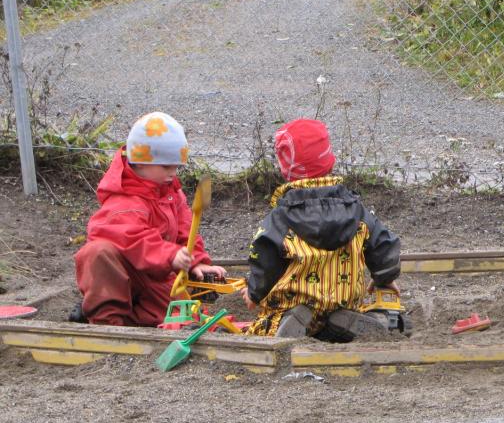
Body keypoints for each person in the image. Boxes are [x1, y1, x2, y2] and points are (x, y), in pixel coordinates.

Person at [243, 118, 403, 339]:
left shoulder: (282, 217)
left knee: (267, 326)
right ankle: (343, 320)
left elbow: (265, 258)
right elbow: (383, 244)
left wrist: (254, 292)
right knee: (339, 317)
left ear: (285, 167)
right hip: (342, 298)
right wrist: (385, 277)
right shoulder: (356, 210)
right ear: (329, 160)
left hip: (296, 299)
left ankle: (294, 318)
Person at [71, 112, 225, 326]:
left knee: (182, 317)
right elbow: (134, 239)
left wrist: (196, 260)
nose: (173, 173)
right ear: (141, 162)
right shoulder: (123, 200)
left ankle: (126, 319)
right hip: (128, 273)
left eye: (176, 167)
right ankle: (107, 324)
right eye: (166, 166)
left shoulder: (169, 191)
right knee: (98, 253)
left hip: (154, 275)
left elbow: (186, 229)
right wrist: (170, 255)